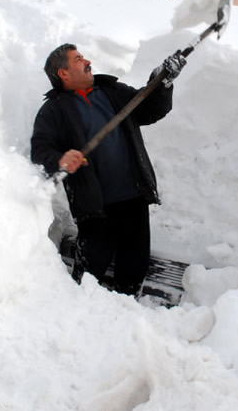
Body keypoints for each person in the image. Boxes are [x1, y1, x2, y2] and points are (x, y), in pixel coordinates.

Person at [30, 43, 186, 297]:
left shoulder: (112, 91)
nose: (87, 60)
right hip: (94, 204)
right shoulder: (54, 110)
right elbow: (40, 149)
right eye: (78, 59)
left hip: (133, 195)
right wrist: (61, 158)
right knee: (93, 262)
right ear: (63, 73)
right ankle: (80, 305)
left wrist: (162, 82)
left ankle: (126, 306)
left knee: (135, 262)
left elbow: (149, 109)